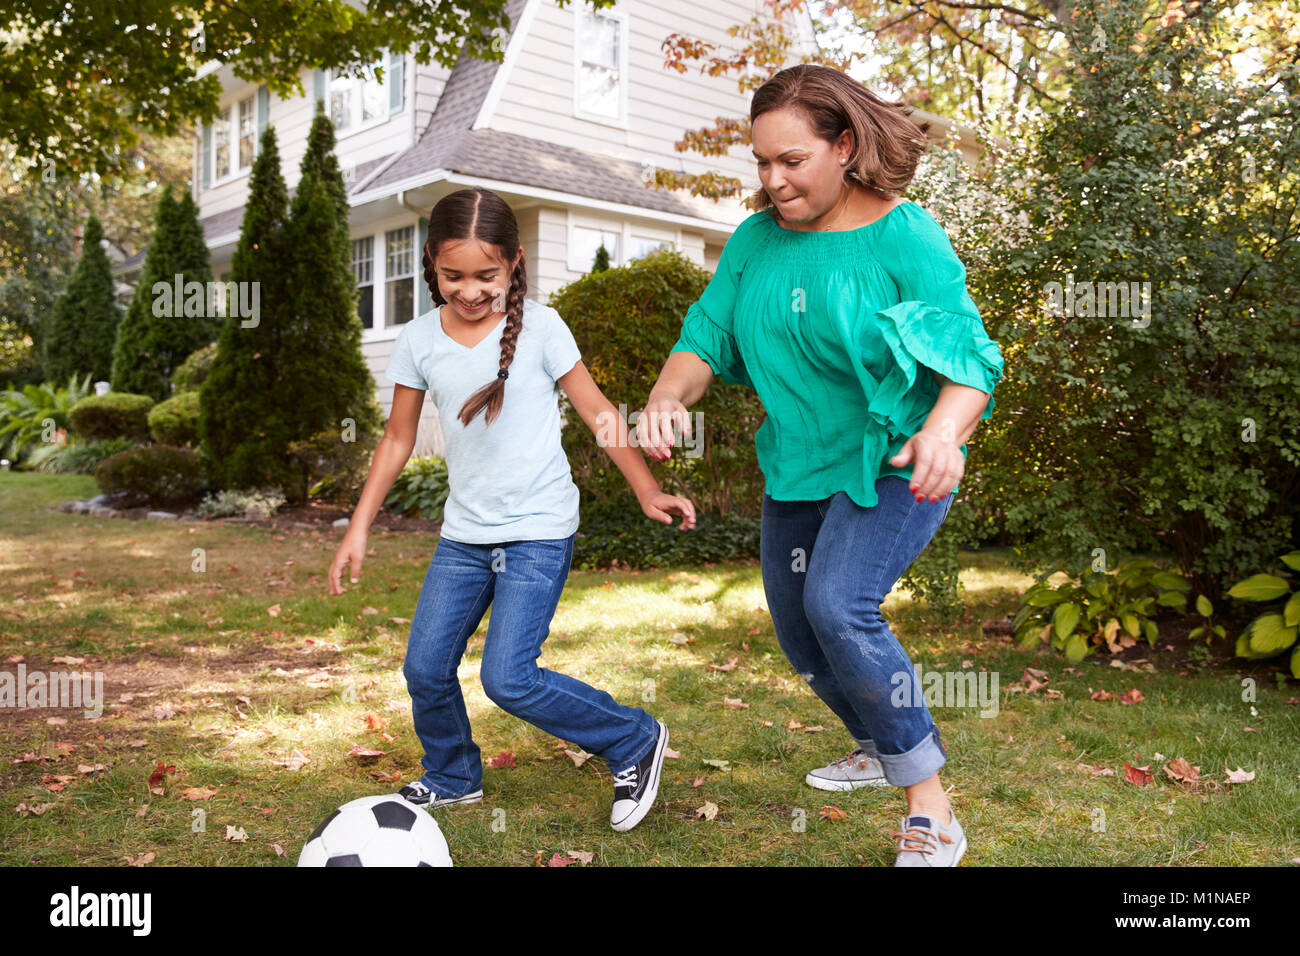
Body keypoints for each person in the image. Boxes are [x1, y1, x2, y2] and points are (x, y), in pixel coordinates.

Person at [636, 64, 1004, 866]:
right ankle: (877, 742)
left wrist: (944, 431)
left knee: (840, 606)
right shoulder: (755, 241)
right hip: (799, 466)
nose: (772, 181)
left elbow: (970, 358)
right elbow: (705, 338)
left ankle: (930, 806)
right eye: (761, 162)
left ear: (844, 146)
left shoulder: (905, 235)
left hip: (898, 458)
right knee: (801, 634)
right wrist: (670, 395)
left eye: (791, 161)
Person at [328, 187, 693, 832]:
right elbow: (396, 437)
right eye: (453, 275)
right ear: (432, 267)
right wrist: (358, 527)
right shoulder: (417, 340)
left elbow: (601, 414)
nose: (469, 290)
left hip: (538, 532)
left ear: (515, 264)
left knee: (510, 678)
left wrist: (644, 488)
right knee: (425, 666)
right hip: (464, 536)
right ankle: (452, 774)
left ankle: (633, 737)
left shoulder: (544, 328)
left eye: (486, 276)